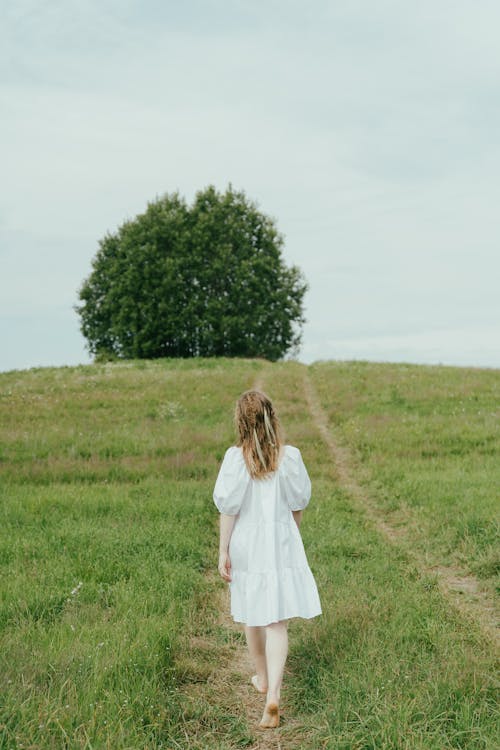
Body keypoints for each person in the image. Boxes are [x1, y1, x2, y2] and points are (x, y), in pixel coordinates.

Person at [213, 389, 322, 729]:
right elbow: (298, 501)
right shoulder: (290, 457)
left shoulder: (235, 458)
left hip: (248, 542)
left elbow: (228, 508)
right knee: (278, 622)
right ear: (272, 417)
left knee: (252, 616)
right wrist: (291, 533)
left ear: (240, 422)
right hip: (280, 539)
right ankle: (273, 693)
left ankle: (261, 678)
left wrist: (224, 550)